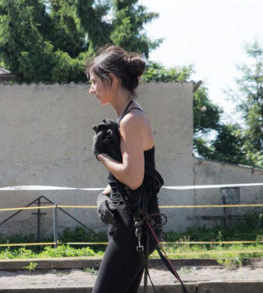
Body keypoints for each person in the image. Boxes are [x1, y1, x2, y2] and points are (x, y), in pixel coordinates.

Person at [88, 45, 166, 293]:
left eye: (94, 82)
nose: (91, 89)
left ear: (111, 80)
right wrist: (105, 194)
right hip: (134, 225)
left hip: (135, 229)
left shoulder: (131, 120)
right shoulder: (129, 116)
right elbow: (132, 174)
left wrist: (101, 156)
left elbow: (133, 178)